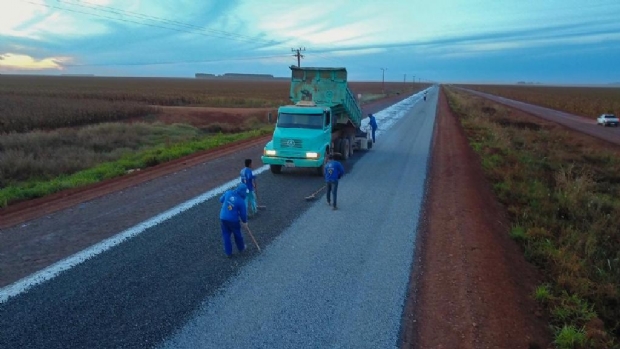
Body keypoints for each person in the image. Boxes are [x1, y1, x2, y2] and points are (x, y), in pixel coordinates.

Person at [219, 183, 249, 257]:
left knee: (226, 235)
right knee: (237, 234)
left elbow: (221, 200)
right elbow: (243, 214)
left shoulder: (228, 192)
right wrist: (245, 222)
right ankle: (241, 248)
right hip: (233, 220)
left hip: (223, 217)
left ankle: (228, 252)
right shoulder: (241, 201)